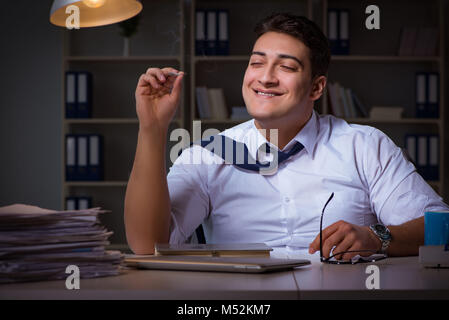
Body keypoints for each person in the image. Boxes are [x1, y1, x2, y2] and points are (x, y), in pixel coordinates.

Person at [124, 13, 448, 260]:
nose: (265, 78)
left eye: (287, 68)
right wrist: (152, 129)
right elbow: (147, 245)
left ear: (317, 87)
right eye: (256, 63)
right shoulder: (210, 152)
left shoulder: (363, 145)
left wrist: (378, 237)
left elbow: (440, 227)